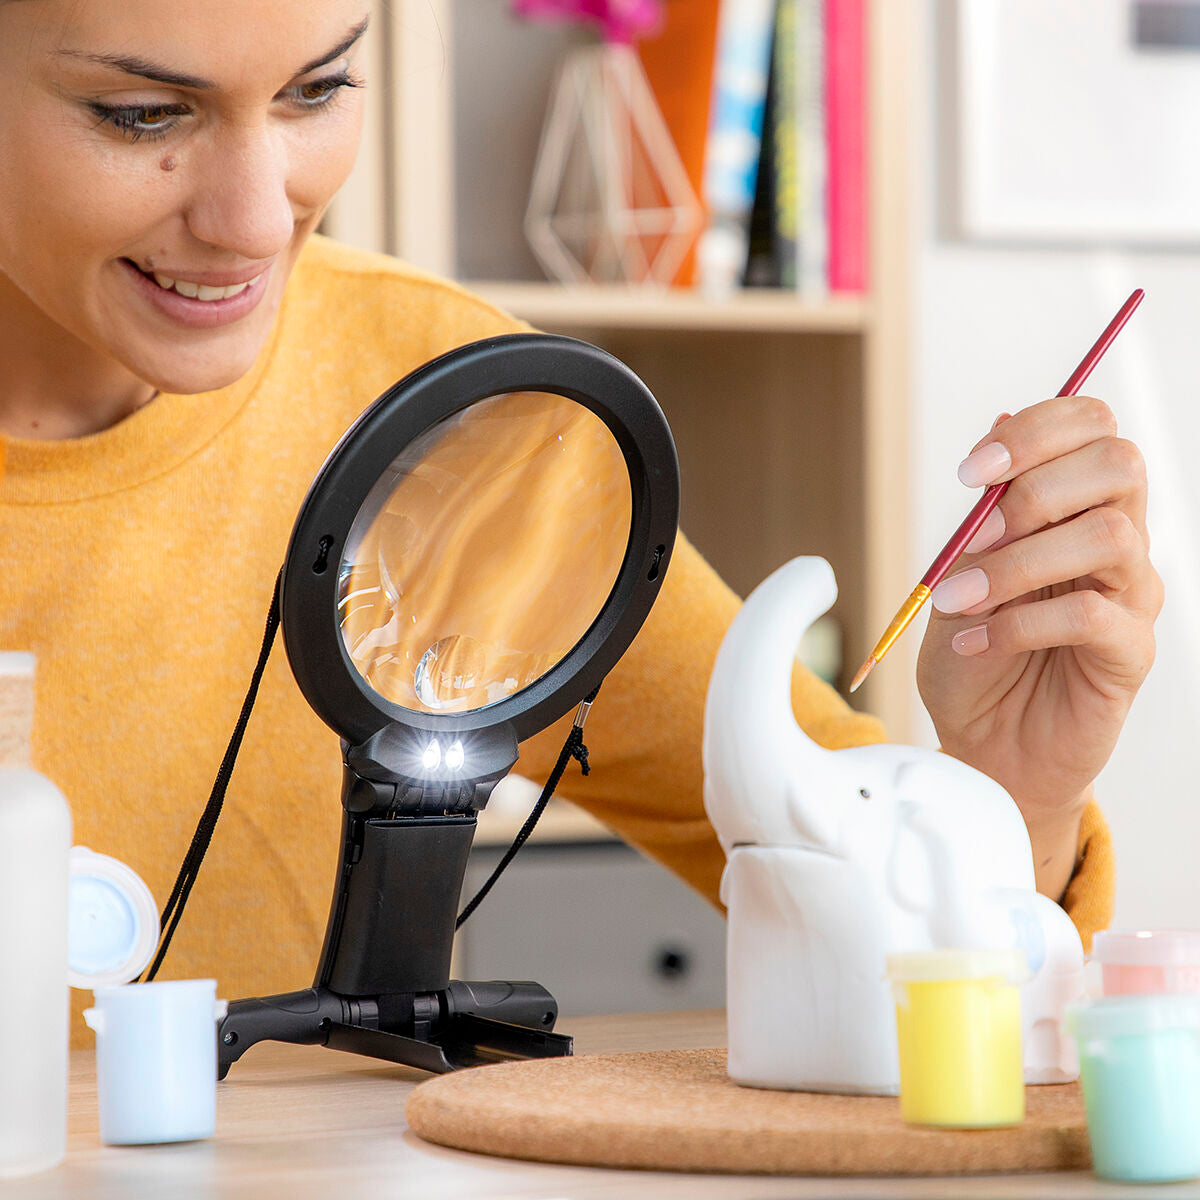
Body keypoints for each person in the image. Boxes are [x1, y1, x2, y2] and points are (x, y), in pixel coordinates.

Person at [0, 0, 1160, 1045]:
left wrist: (1017, 797)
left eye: (318, 89)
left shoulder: (464, 419)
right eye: (141, 115)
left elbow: (912, 957)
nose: (256, 222)